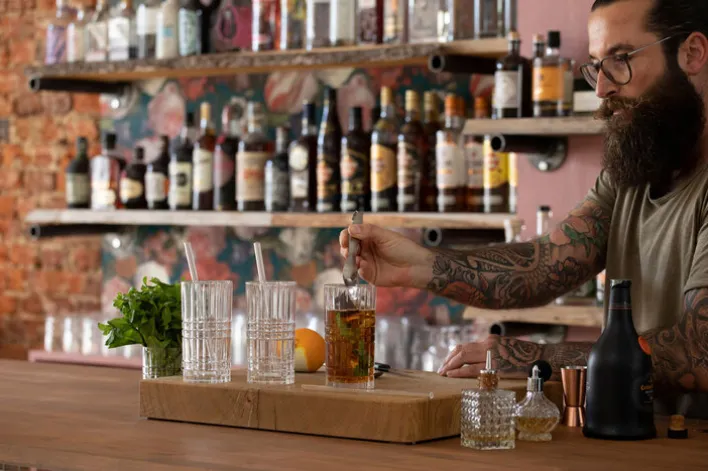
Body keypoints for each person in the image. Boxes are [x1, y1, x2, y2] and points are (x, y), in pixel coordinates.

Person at [340, 0, 708, 405]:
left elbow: (699, 351)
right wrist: (419, 264)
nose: (601, 89)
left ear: (691, 53)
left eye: (621, 60)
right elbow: (546, 265)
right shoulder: (637, 170)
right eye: (596, 67)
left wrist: (540, 360)